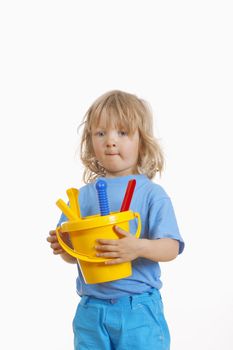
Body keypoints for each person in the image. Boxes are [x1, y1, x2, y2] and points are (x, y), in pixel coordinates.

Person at [47, 90, 184, 350]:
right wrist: (63, 245)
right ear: (90, 142)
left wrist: (139, 247)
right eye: (101, 133)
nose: (110, 141)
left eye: (122, 133)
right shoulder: (81, 198)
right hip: (91, 310)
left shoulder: (151, 194)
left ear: (141, 142)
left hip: (138, 310)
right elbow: (72, 256)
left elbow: (171, 247)